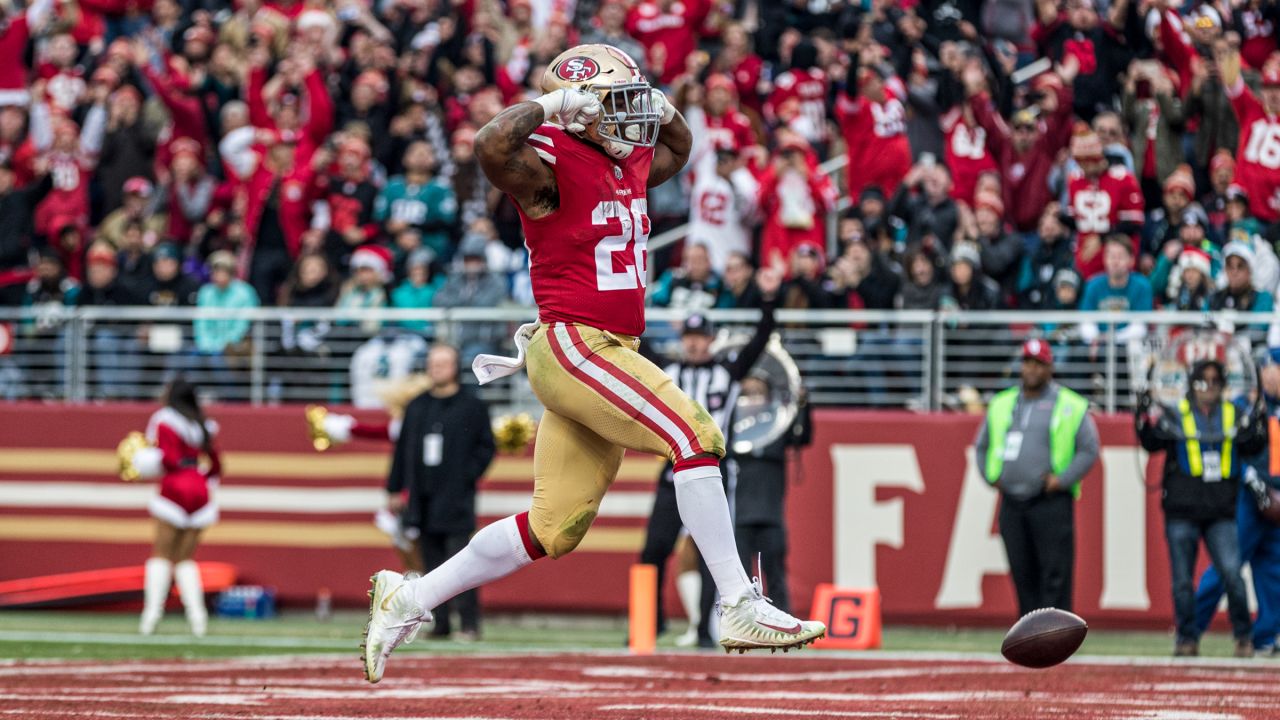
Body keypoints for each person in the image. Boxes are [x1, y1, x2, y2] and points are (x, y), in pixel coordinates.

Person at [362, 44, 824, 684]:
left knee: (553, 528)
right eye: (618, 103)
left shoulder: (625, 157)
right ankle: (737, 602)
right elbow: (491, 146)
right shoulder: (547, 164)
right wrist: (550, 105)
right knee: (696, 436)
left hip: (606, 349)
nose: (634, 117)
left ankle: (409, 598)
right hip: (577, 343)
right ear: (577, 111)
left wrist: (661, 107)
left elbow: (678, 149)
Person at [639, 267, 781, 646]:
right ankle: (645, 627)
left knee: (709, 557)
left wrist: (768, 300)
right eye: (689, 337)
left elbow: (760, 340)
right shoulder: (667, 372)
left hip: (714, 475)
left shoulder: (727, 371)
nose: (695, 344)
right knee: (652, 550)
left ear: (712, 340)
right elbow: (638, 346)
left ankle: (704, 631)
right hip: (671, 474)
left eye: (701, 337)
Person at [1136, 359, 1266, 657]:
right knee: (1182, 581)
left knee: (1232, 573)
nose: (1208, 388)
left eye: (1214, 381)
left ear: (1222, 385)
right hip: (1182, 509)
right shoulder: (1177, 414)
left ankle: (1244, 636)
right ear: (1192, 384)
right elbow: (1151, 441)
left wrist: (1258, 419)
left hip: (1221, 510)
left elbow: (1254, 445)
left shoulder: (1234, 414)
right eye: (1202, 381)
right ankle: (1186, 638)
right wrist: (1141, 414)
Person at [974, 339, 1099, 617]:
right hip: (1012, 499)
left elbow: (1089, 448)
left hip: (1050, 499)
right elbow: (981, 445)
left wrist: (1062, 479)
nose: (1032, 369)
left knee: (1055, 571)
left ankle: (1056, 636)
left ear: (1049, 367)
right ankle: (1030, 637)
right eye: (1028, 363)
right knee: (1022, 570)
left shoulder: (1069, 404)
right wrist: (990, 475)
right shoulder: (1003, 402)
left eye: (1038, 364)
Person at [387, 344, 495, 641]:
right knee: (431, 565)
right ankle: (441, 623)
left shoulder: (472, 406)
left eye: (443, 363)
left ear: (454, 366)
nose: (437, 369)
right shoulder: (417, 406)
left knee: (464, 563)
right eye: (433, 363)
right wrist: (395, 487)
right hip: (423, 497)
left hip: (457, 497)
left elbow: (486, 447)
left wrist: (467, 476)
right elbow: (401, 450)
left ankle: (470, 624)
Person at [1194, 358, 1280, 656]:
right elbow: (1227, 447)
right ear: (1264, 370)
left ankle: (1266, 636)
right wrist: (1251, 478)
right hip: (1247, 497)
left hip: (1276, 500)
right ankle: (1190, 630)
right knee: (1225, 568)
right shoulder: (1242, 406)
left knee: (1273, 568)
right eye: (1277, 368)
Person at [132, 377, 222, 637]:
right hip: (200, 489)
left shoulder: (164, 419)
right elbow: (216, 466)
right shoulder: (203, 423)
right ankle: (198, 619)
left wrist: (142, 461)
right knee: (185, 559)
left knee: (161, 554)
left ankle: (150, 617)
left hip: (175, 487)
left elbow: (169, 459)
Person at [732, 371, 812, 618]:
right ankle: (743, 622)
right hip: (740, 512)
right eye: (749, 392)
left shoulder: (778, 424)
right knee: (739, 576)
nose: (754, 397)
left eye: (759, 391)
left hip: (770, 512)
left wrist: (803, 406)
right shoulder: (733, 424)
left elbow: (802, 436)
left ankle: (783, 619)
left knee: (775, 570)